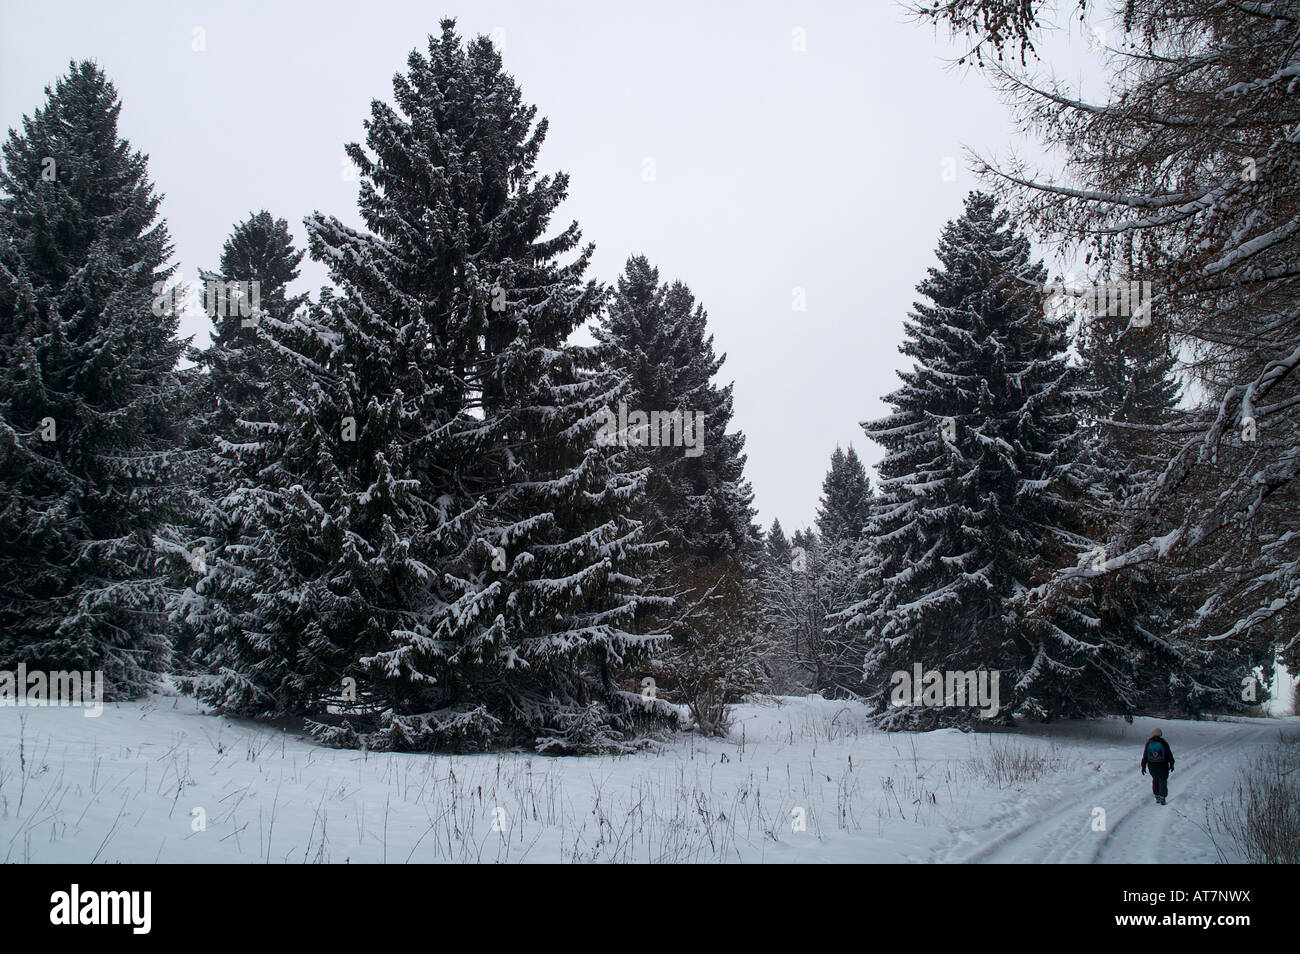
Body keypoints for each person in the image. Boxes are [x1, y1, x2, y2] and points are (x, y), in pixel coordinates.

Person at [1140, 727, 1175, 804]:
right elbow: (1169, 755)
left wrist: (1143, 766)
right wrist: (1171, 764)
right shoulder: (1164, 743)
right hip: (1163, 765)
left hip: (1152, 766)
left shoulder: (1149, 743)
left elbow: (1145, 756)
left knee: (1155, 780)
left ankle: (1157, 796)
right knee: (1163, 780)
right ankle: (1163, 797)